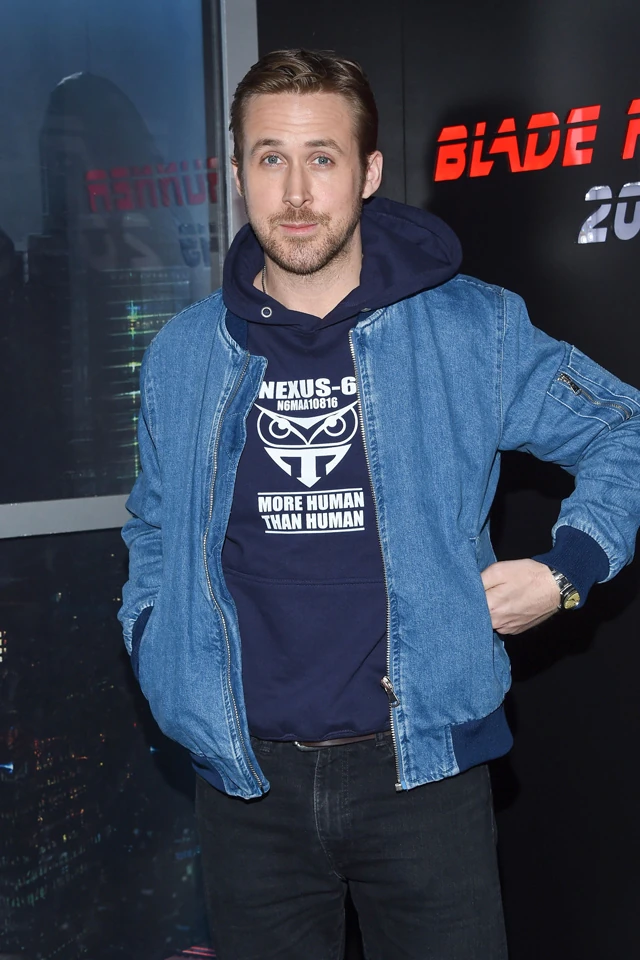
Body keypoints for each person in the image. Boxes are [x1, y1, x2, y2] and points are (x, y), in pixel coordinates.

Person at [118, 49, 640, 960]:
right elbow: (154, 525)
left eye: (321, 158)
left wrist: (567, 570)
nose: (295, 192)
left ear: (368, 172)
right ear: (237, 173)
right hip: (244, 784)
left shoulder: (470, 328)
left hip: (422, 773)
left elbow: (622, 428)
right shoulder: (182, 354)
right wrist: (153, 636)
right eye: (270, 158)